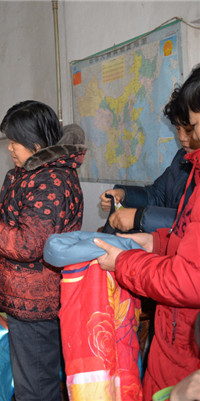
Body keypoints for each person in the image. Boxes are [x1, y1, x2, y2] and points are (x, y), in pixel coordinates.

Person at [0, 101, 86, 401]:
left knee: (36, 385)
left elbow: (28, 244)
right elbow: (19, 216)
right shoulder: (28, 172)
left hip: (36, 302)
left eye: (15, 143)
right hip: (21, 297)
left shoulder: (51, 179)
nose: (10, 149)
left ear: (36, 144)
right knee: (29, 378)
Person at [93, 64, 200, 401]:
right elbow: (184, 229)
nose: (185, 138)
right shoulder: (190, 162)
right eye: (180, 129)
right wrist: (154, 240)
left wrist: (124, 262)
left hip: (188, 336)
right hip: (172, 331)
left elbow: (189, 279)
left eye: (191, 127)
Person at [99, 86, 198, 233]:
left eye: (189, 130)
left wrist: (139, 217)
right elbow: (156, 194)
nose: (182, 138)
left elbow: (190, 222)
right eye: (177, 129)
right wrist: (123, 195)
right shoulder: (181, 157)